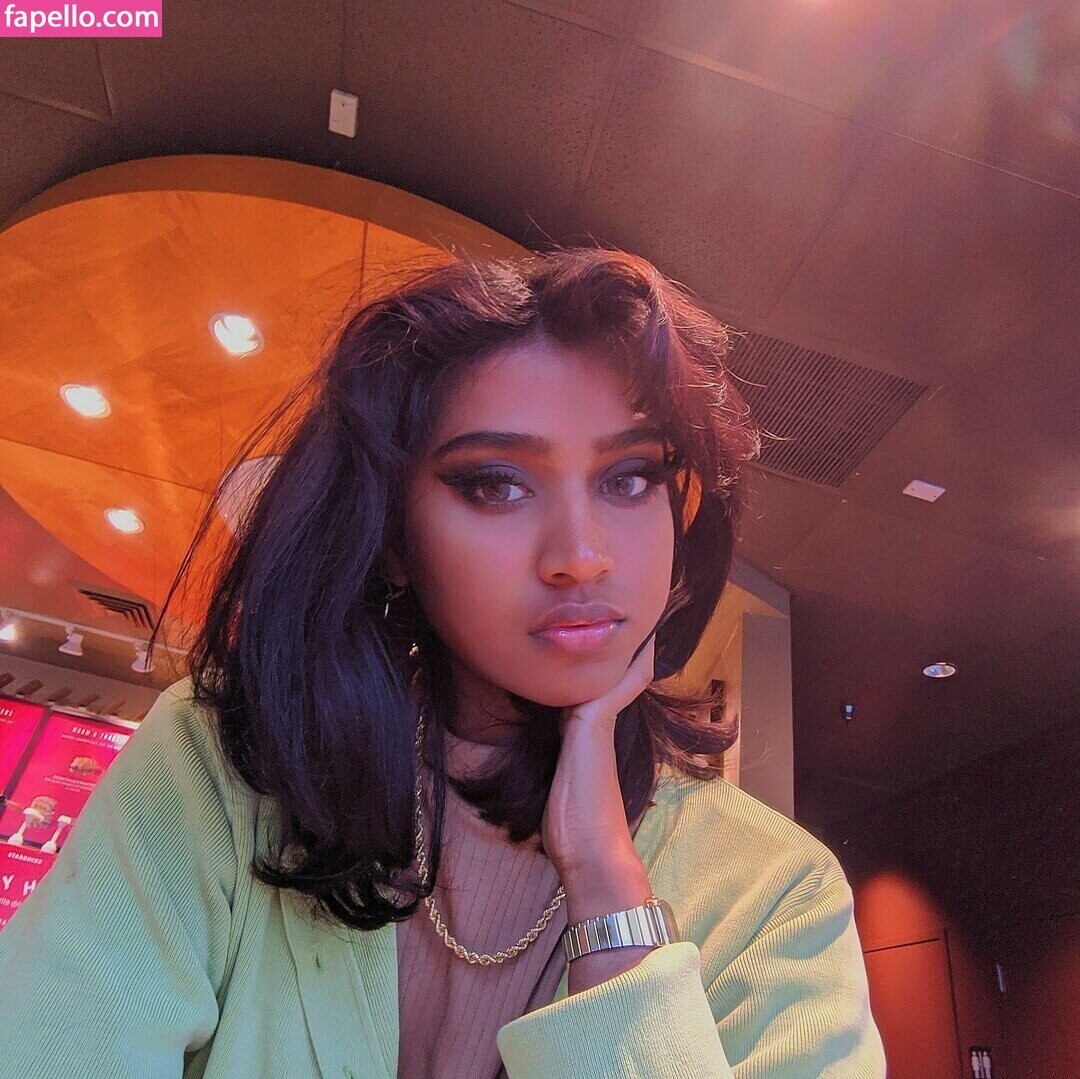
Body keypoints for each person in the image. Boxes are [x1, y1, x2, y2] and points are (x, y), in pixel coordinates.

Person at [0, 247, 886, 1077]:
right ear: (392, 538)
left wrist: (609, 894)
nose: (582, 556)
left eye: (629, 477)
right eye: (495, 483)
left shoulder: (777, 896)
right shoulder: (218, 770)